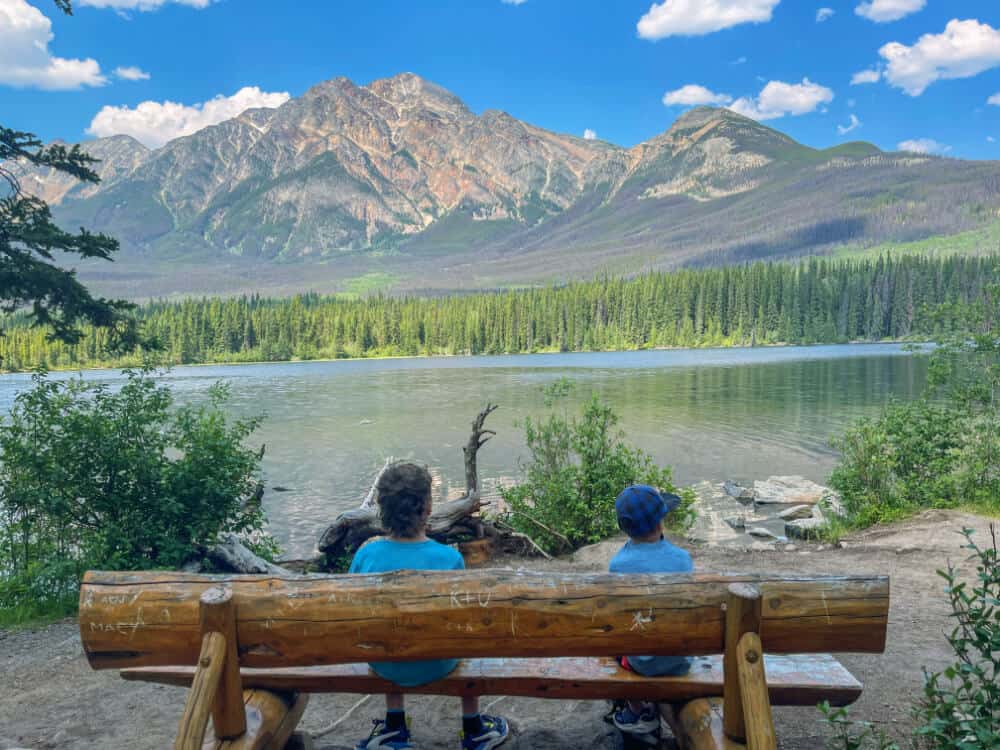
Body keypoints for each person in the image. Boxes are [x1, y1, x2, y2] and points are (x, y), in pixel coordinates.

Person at [349, 461, 510, 750]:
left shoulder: (368, 556)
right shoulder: (448, 559)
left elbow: (350, 612)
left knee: (389, 630)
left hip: (386, 663)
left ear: (382, 509)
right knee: (467, 637)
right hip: (438, 662)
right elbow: (465, 619)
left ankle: (395, 725)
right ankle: (473, 727)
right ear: (427, 508)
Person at [608, 484, 693, 743]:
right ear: (661, 523)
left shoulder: (618, 565)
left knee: (618, 644)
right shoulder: (682, 559)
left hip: (641, 663)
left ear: (625, 527)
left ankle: (638, 711)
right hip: (679, 658)